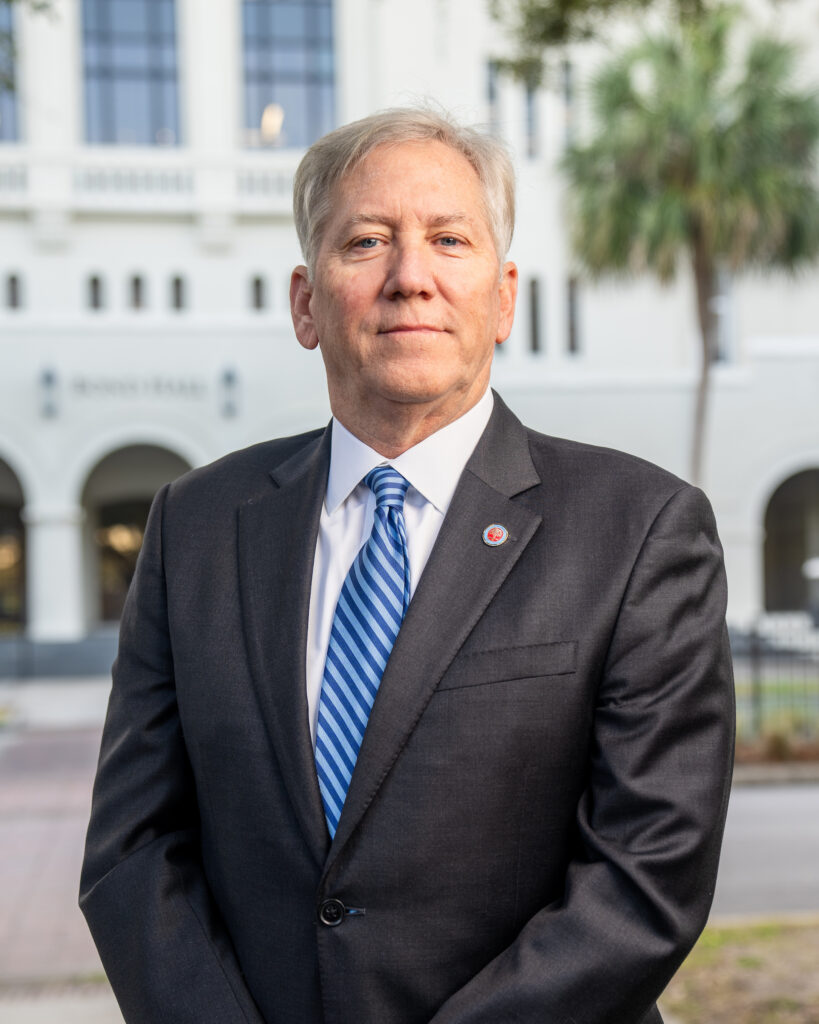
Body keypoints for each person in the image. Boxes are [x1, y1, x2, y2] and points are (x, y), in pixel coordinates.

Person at [80, 108, 735, 1024]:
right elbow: (132, 848)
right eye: (367, 241)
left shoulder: (639, 531)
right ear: (307, 303)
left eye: (448, 239)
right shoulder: (195, 524)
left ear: (504, 298)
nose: (409, 278)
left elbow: (646, 876)